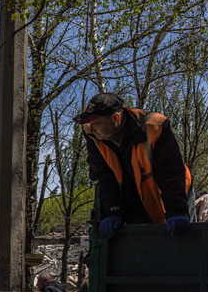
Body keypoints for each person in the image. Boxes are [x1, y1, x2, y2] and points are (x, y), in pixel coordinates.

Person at [74, 92, 194, 239]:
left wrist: (177, 212)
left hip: (175, 195)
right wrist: (111, 212)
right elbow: (104, 176)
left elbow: (171, 173)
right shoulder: (93, 136)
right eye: (89, 124)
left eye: (97, 124)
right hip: (135, 199)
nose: (91, 129)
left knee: (181, 245)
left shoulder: (154, 126)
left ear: (116, 118)